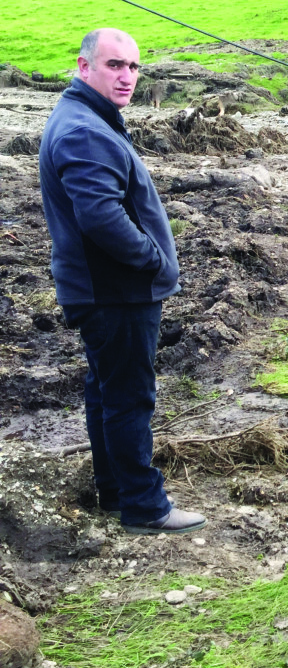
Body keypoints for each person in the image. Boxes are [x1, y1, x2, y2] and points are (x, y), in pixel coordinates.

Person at [38, 28, 207, 535]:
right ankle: (144, 505)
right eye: (115, 65)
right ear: (84, 66)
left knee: (107, 390)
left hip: (102, 289)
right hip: (116, 291)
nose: (128, 76)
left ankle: (114, 489)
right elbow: (101, 218)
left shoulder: (86, 118)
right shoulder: (83, 130)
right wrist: (155, 261)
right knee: (131, 396)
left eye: (134, 67)